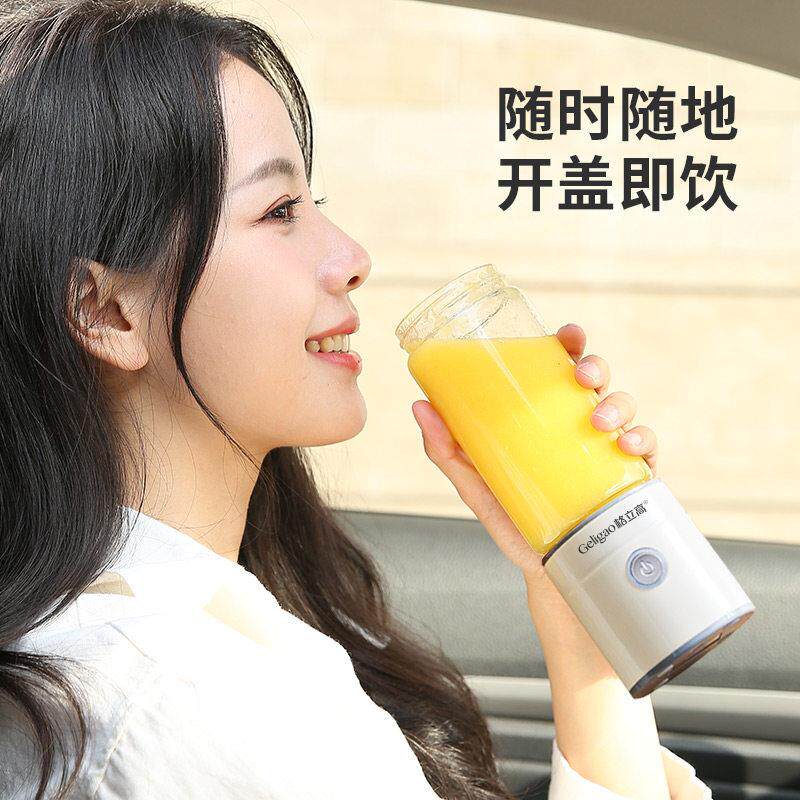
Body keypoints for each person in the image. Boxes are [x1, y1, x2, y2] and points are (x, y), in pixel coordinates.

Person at [0, 1, 711, 798]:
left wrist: (575, 591)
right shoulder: (191, 703)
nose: (352, 258)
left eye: (317, 204)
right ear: (106, 312)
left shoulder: (187, 648)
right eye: (278, 211)